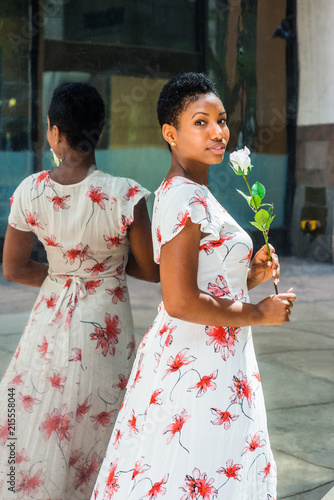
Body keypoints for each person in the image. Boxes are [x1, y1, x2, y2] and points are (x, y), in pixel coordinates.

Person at [91, 73, 296, 499]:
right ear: (170, 133)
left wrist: (250, 275)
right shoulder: (186, 196)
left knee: (198, 466)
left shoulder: (193, 192)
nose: (218, 131)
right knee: (196, 468)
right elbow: (180, 298)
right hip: (197, 359)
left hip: (208, 355)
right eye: (200, 122)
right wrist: (258, 312)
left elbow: (205, 277)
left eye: (221, 120)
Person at [0, 82, 159, 499]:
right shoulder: (125, 195)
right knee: (103, 417)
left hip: (49, 320)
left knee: (41, 413)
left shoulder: (30, 192)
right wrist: (99, 270)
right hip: (104, 324)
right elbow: (150, 270)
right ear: (99, 131)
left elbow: (14, 268)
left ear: (54, 132)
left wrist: (63, 275)